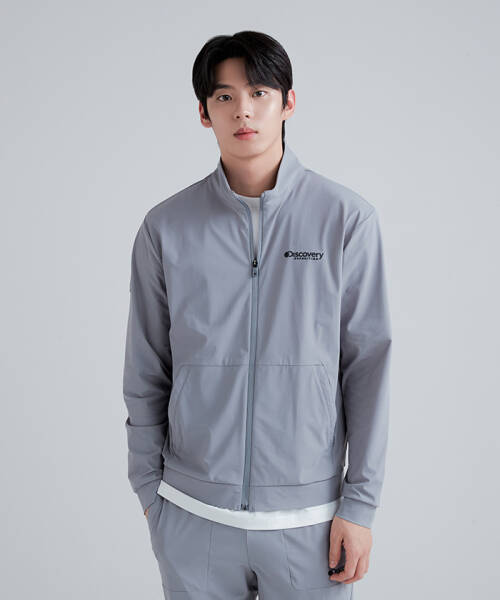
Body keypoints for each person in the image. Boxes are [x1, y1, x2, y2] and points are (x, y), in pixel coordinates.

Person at [123, 30, 392, 600]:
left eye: (259, 93)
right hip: (192, 515)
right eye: (224, 97)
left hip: (312, 523)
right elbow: (146, 367)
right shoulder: (165, 228)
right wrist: (150, 490)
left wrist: (360, 505)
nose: (242, 110)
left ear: (288, 102)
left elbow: (368, 369)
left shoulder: (345, 220)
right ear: (204, 113)